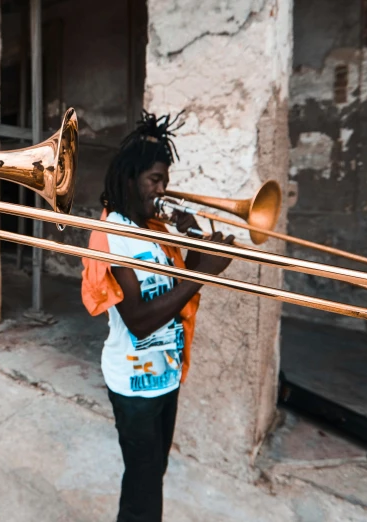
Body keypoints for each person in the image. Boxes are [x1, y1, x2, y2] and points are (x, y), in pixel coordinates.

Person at [81, 111, 234, 522]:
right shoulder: (110, 235)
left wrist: (195, 233)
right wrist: (202, 274)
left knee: (153, 473)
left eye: (164, 179)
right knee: (143, 488)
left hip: (167, 375)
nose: (163, 189)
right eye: (155, 180)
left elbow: (195, 268)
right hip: (133, 386)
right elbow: (139, 319)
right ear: (131, 179)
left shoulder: (157, 228)